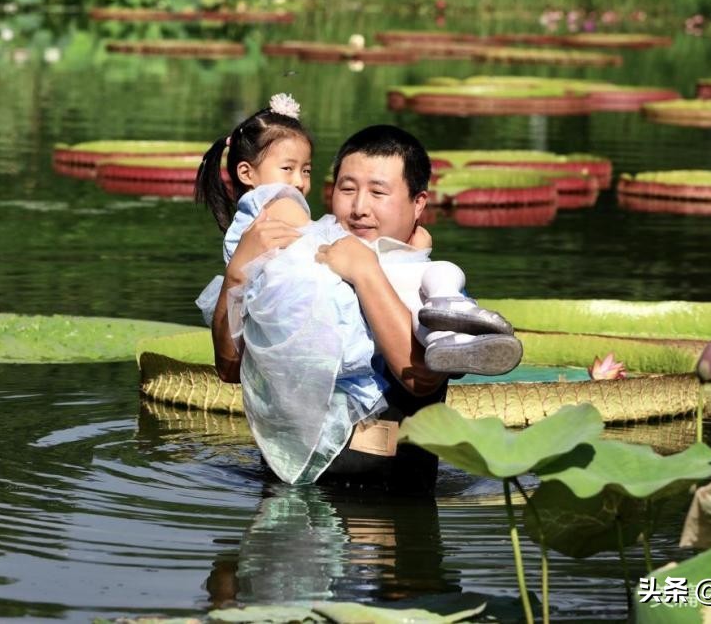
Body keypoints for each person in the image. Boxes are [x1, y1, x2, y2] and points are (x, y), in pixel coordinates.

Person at [195, 95, 521, 486]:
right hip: (290, 486)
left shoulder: (432, 284)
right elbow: (229, 370)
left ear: (418, 204)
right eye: (347, 189)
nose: (359, 208)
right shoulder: (304, 266)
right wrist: (236, 276)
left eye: (378, 193)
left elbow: (421, 380)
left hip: (390, 505)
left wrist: (365, 272)